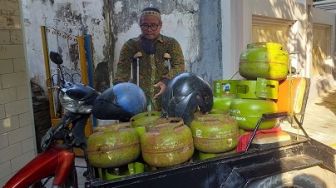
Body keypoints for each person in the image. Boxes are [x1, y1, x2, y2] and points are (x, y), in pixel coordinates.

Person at [114, 7, 185, 111]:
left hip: (165, 96)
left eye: (153, 25)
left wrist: (166, 81)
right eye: (145, 25)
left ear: (160, 25)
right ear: (140, 25)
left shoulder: (171, 44)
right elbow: (122, 71)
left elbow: (180, 66)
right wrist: (119, 93)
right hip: (139, 97)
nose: (149, 29)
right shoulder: (131, 45)